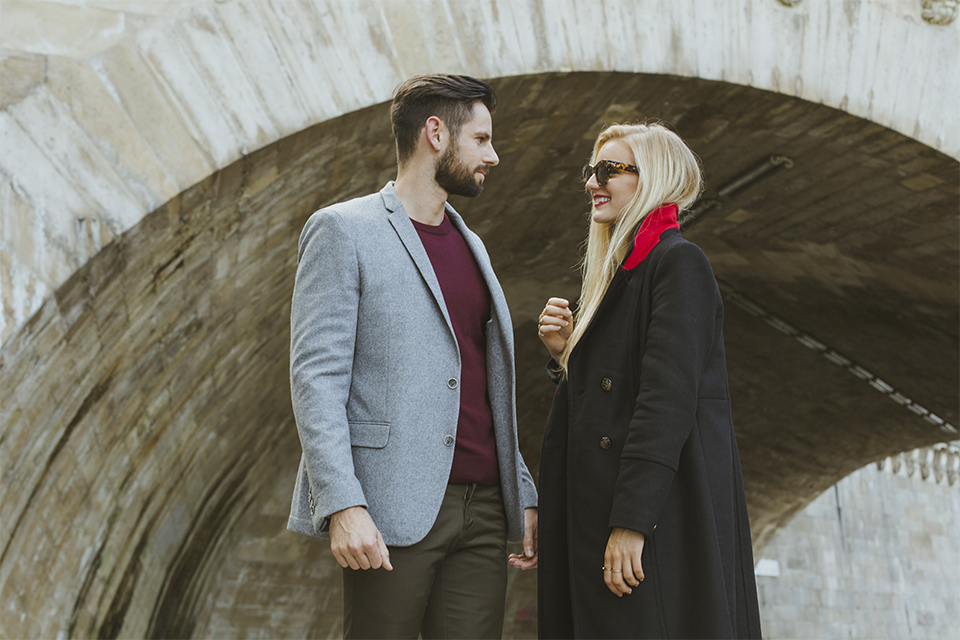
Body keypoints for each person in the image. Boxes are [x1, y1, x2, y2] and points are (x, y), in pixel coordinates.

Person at [287, 74, 538, 639]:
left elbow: (484, 381)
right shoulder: (342, 231)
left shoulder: (473, 244)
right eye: (481, 139)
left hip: (483, 509)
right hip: (390, 509)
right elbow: (316, 377)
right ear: (436, 135)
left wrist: (519, 489)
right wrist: (343, 505)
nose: (493, 156)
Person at [530, 122, 762, 638]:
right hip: (601, 515)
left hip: (651, 520)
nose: (594, 181)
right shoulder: (619, 275)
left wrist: (632, 522)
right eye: (592, 170)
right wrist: (565, 356)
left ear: (655, 177)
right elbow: (609, 398)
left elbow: (665, 400)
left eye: (611, 170)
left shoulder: (679, 263)